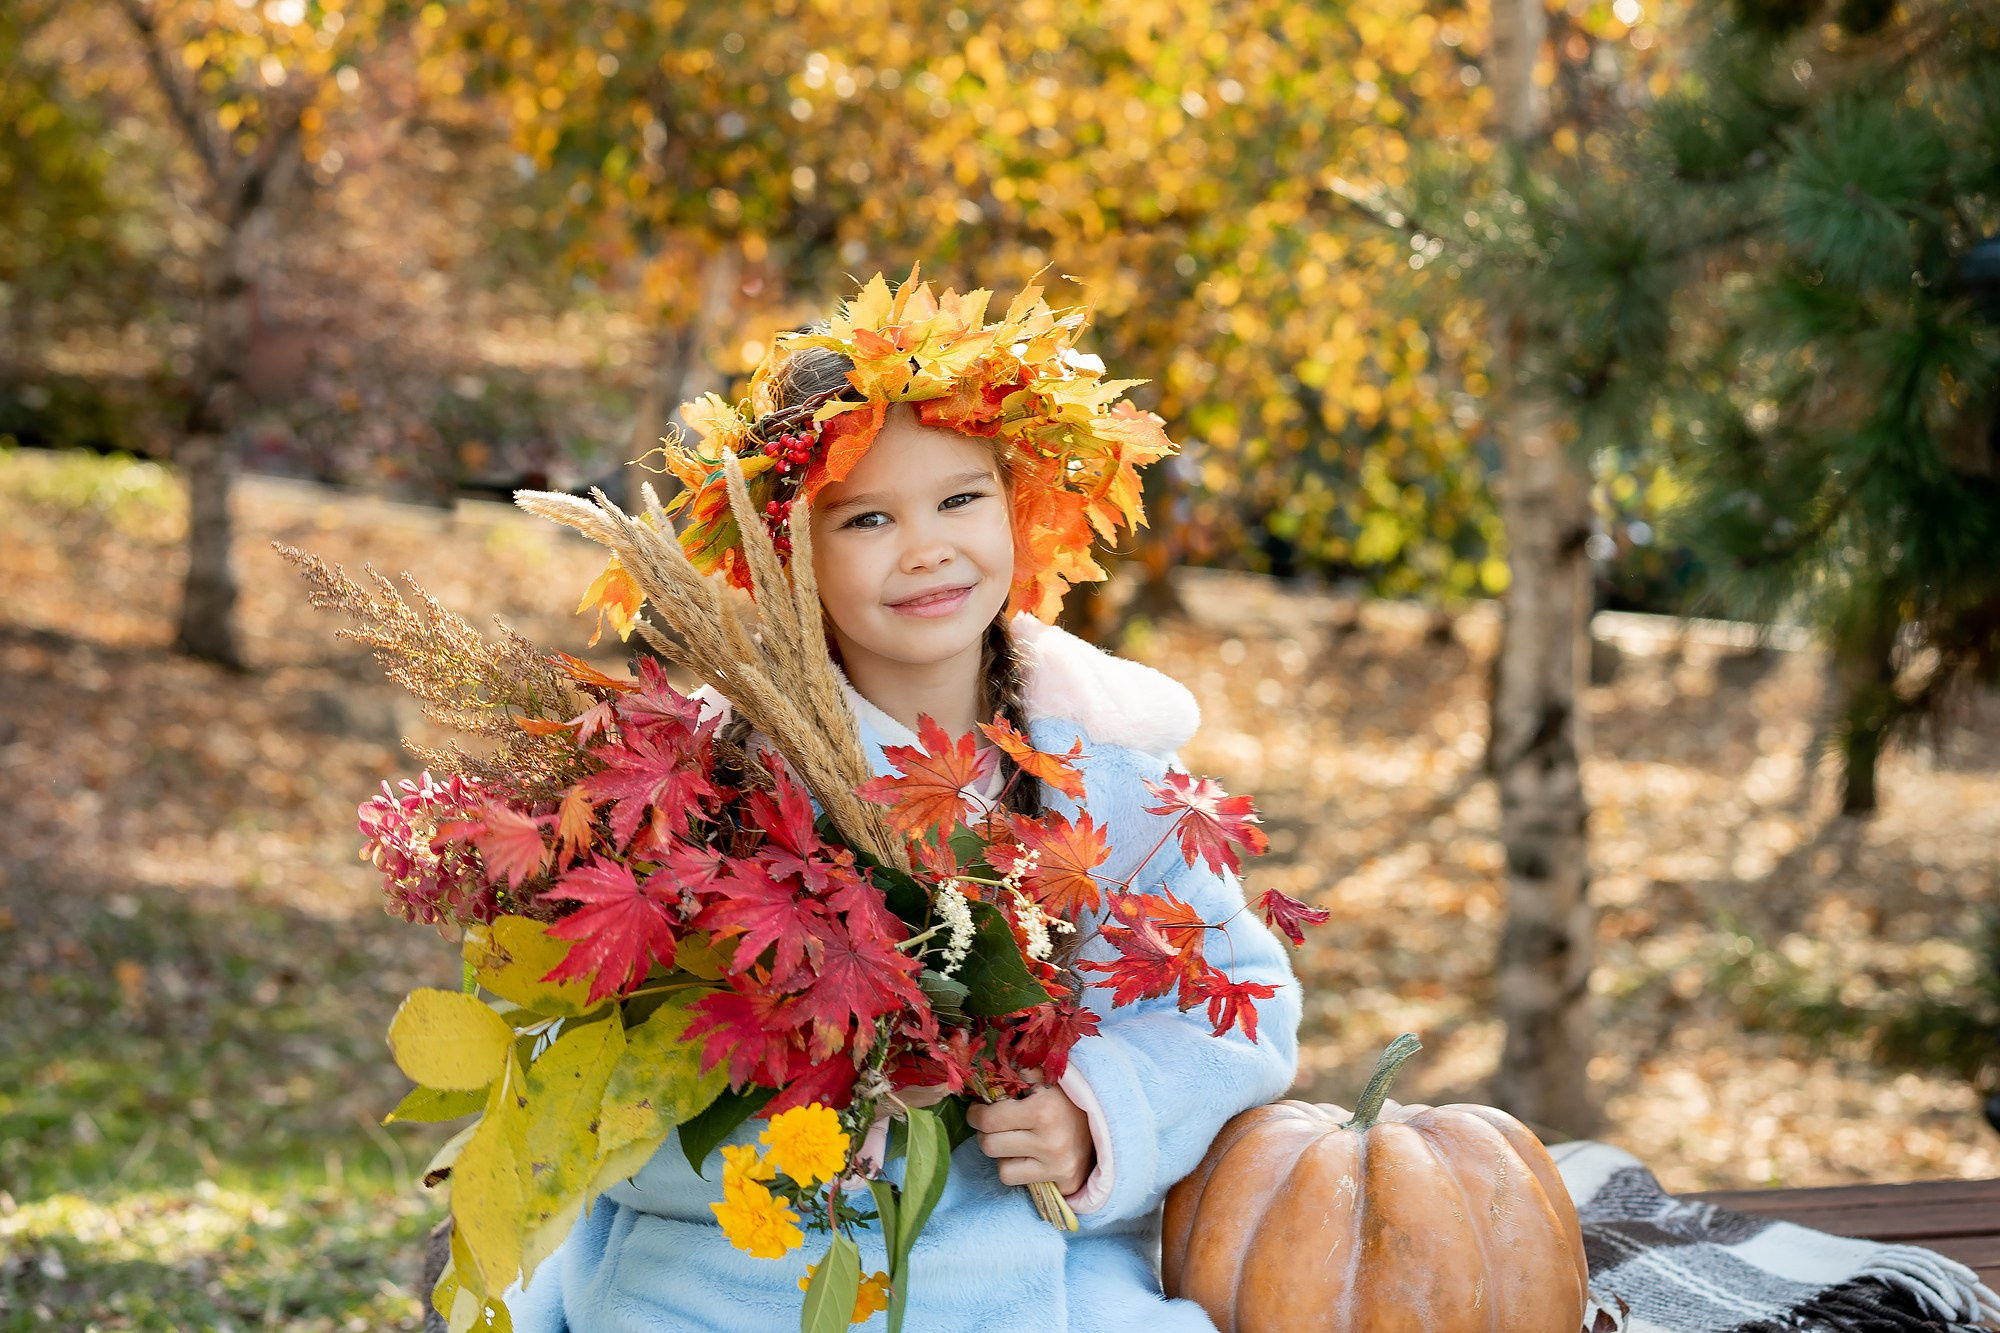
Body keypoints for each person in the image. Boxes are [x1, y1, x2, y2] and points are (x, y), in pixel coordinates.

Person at [508, 277, 1302, 1332]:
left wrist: (1097, 1112)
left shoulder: (1110, 781)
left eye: (960, 501)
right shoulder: (712, 782)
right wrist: (819, 1096)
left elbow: (1236, 1008)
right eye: (869, 517)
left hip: (1024, 1278)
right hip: (739, 1270)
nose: (926, 547)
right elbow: (600, 1073)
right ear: (788, 550)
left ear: (1018, 507)